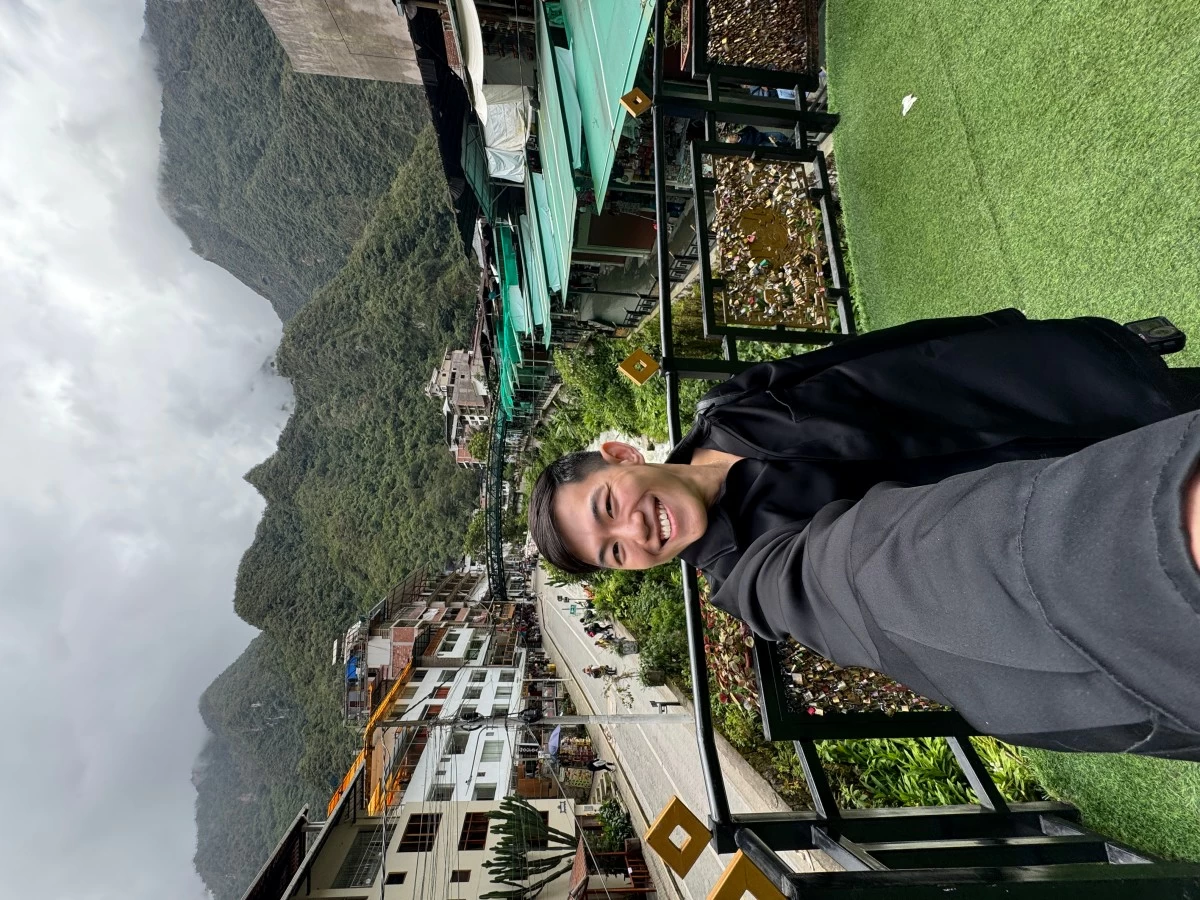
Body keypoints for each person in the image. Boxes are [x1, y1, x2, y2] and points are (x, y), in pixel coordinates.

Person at [530, 309, 1200, 759]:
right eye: (613, 552)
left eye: (610, 505)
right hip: (1087, 494)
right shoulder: (755, 577)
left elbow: (893, 359)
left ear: (621, 456)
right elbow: (854, 576)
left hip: (1062, 400)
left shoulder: (729, 408)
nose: (635, 531)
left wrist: (1036, 339)